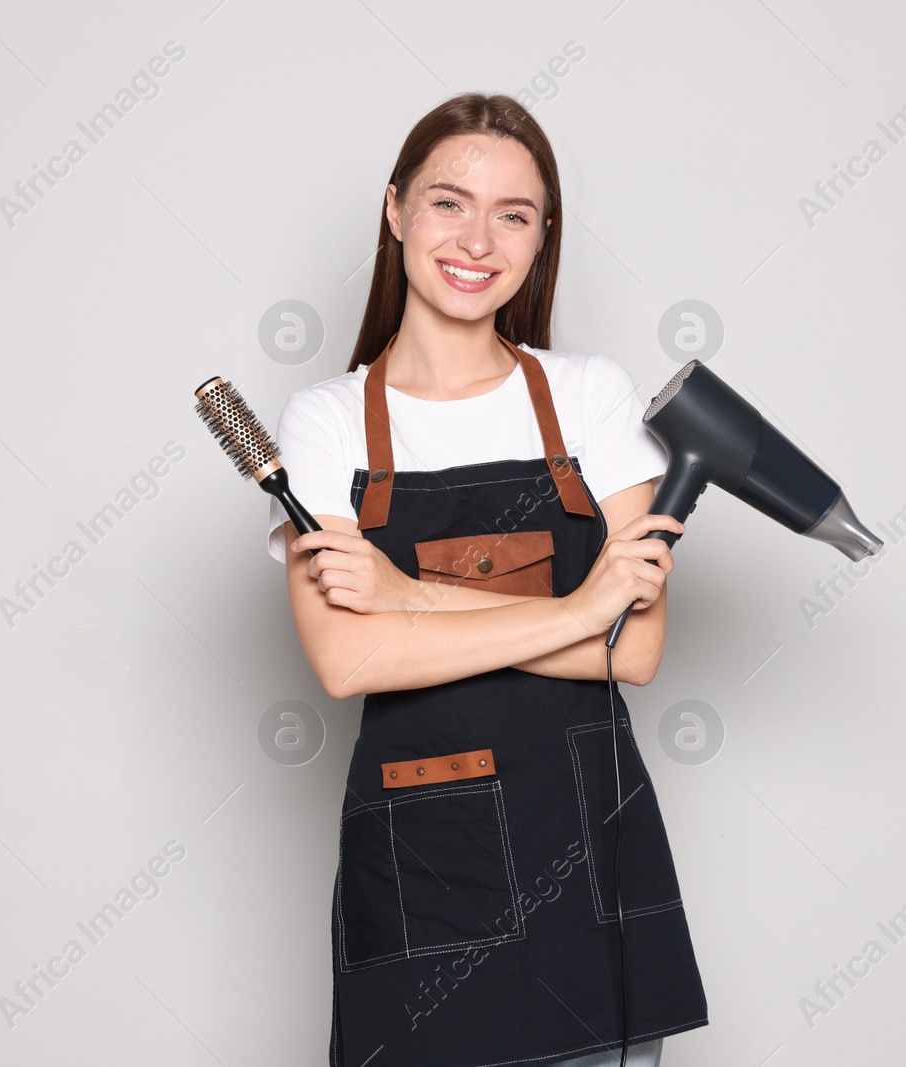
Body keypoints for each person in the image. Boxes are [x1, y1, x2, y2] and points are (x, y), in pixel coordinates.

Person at [265, 92, 708, 1067]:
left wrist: (412, 593)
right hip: (422, 868)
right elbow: (348, 656)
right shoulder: (326, 421)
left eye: (513, 213)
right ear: (394, 211)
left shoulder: (591, 397)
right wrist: (579, 610)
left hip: (587, 851)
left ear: (541, 237)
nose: (478, 238)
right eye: (447, 202)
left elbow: (631, 648)